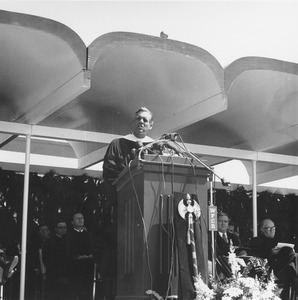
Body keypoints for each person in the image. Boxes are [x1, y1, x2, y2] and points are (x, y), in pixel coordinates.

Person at [98, 107, 154, 300]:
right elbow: (110, 175)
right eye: (138, 119)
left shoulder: (155, 147)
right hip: (124, 212)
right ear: (132, 122)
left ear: (151, 125)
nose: (141, 122)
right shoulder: (117, 144)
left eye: (145, 120)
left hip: (149, 212)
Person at [250, 218, 296, 283]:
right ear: (261, 229)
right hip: (266, 267)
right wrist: (270, 252)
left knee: (290, 254)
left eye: (273, 228)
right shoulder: (256, 241)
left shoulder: (277, 240)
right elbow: (256, 254)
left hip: (280, 268)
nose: (272, 231)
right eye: (269, 228)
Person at [65, 212, 94, 300]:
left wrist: (92, 255)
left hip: (88, 266)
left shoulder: (89, 235)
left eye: (82, 218)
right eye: (77, 218)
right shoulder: (68, 236)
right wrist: (77, 257)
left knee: (88, 291)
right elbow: (67, 251)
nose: (80, 220)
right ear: (72, 222)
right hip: (74, 267)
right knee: (74, 290)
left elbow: (93, 249)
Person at [42, 218, 68, 300]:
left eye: (64, 227)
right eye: (60, 227)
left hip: (68, 274)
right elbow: (45, 259)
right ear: (56, 229)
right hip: (54, 275)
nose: (63, 229)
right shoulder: (49, 242)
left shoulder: (71, 240)